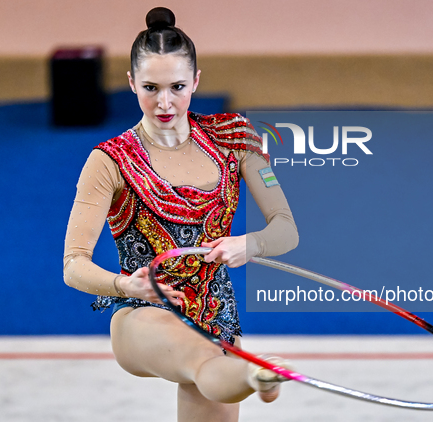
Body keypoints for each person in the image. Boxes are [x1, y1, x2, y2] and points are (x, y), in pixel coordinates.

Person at [63, 6, 298, 422]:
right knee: (206, 361)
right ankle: (254, 371)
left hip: (216, 309)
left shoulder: (235, 138)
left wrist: (250, 244)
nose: (165, 102)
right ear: (132, 82)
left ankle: (251, 373)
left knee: (213, 369)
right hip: (144, 310)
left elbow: (287, 229)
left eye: (178, 87)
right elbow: (73, 265)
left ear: (197, 81)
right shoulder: (110, 160)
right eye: (151, 87)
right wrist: (125, 286)